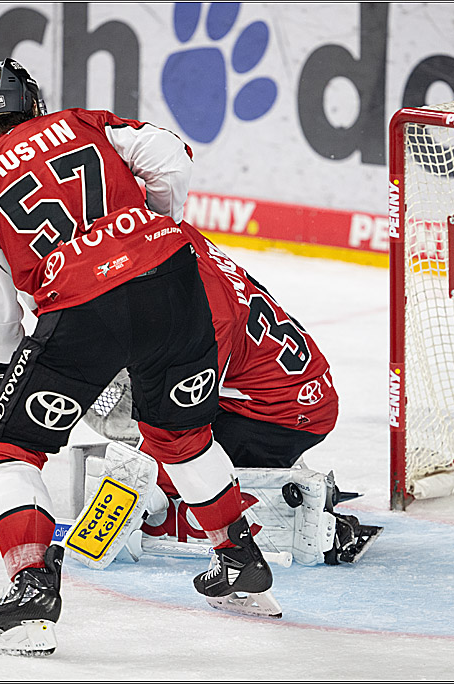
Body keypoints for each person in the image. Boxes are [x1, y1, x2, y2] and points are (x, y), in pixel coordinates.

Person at [0, 58, 278, 657]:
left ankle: (30, 590)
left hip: (82, 308)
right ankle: (240, 559)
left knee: (5, 446)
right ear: (36, 103)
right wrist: (157, 227)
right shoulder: (82, 124)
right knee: (181, 435)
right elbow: (171, 156)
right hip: (174, 284)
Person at [83, 226, 382, 566]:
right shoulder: (174, 237)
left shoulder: (209, 319)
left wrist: (135, 489)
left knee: (178, 477)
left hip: (284, 416)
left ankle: (311, 526)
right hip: (275, 392)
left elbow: (181, 424)